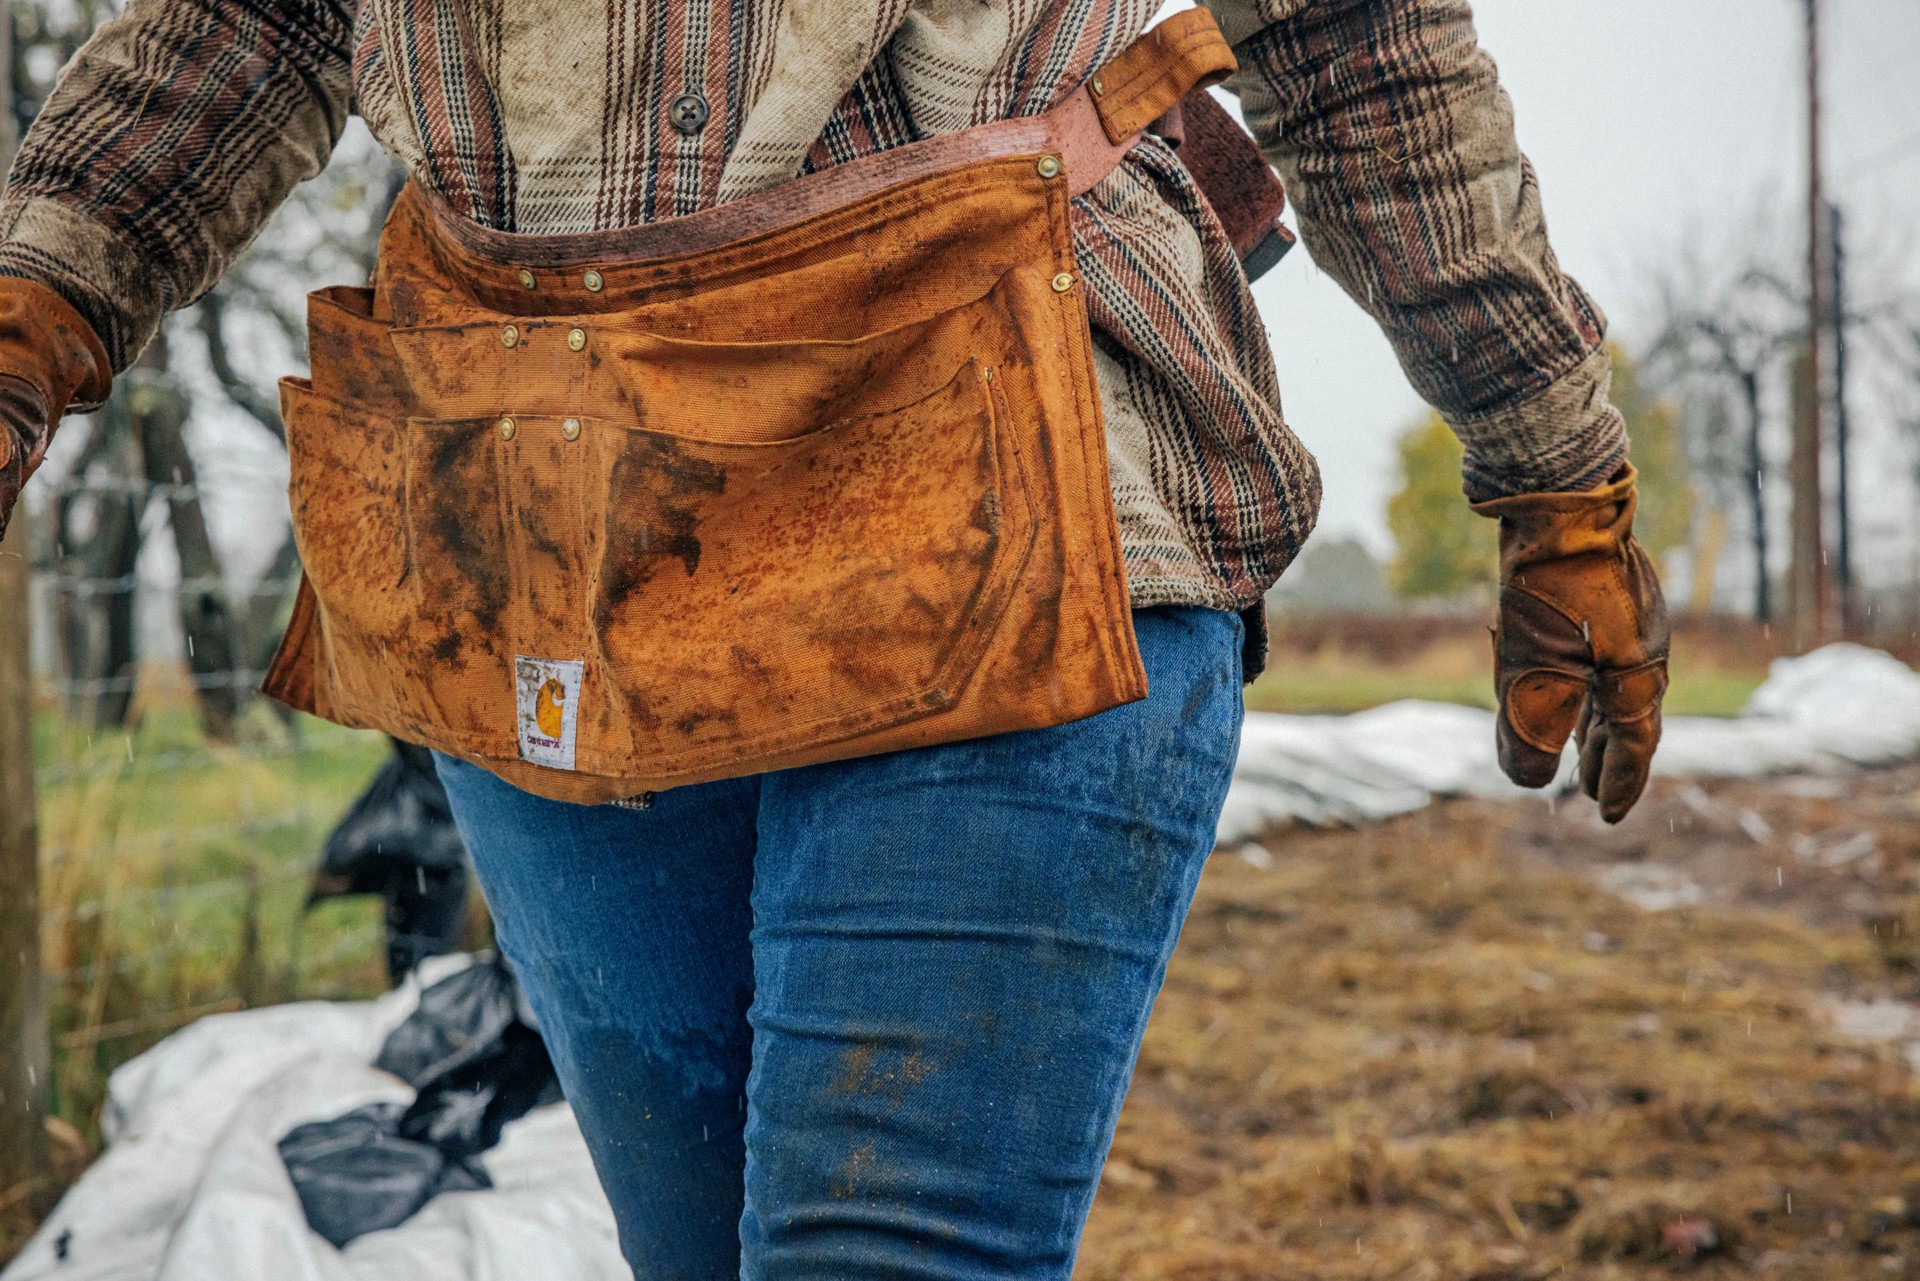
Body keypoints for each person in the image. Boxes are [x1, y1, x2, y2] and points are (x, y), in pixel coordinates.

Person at [0, 0, 1668, 1276]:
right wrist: (37, 305)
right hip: (546, 535)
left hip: (1009, 487)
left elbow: (1346, 29)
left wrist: (1555, 467)